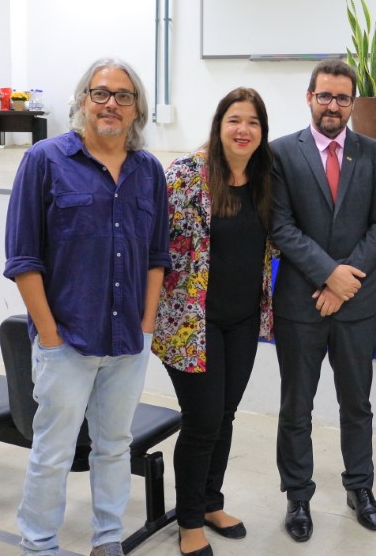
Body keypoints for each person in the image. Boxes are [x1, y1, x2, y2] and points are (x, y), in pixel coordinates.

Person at [4, 58, 169, 556]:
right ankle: (39, 544)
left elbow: (156, 257)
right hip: (67, 342)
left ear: (137, 108)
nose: (111, 104)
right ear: (83, 100)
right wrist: (49, 335)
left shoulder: (148, 171)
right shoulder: (45, 160)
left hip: (127, 342)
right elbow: (23, 258)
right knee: (52, 453)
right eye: (101, 93)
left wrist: (145, 326)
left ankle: (108, 538)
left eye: (123, 96)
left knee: (114, 447)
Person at [270, 59, 376, 542]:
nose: (333, 106)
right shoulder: (282, 153)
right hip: (300, 303)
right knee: (296, 407)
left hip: (357, 304)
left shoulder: (375, 154)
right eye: (324, 96)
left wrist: (345, 281)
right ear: (309, 97)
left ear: (352, 103)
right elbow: (281, 226)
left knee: (357, 404)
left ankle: (359, 488)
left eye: (343, 98)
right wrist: (328, 275)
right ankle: (298, 496)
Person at [153, 88, 276, 556]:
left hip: (243, 320)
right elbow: (155, 246)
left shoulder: (265, 179)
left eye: (253, 122)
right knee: (202, 421)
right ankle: (188, 522)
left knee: (224, 416)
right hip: (191, 323)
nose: (243, 130)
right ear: (219, 125)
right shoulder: (187, 175)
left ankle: (210, 503)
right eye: (234, 120)